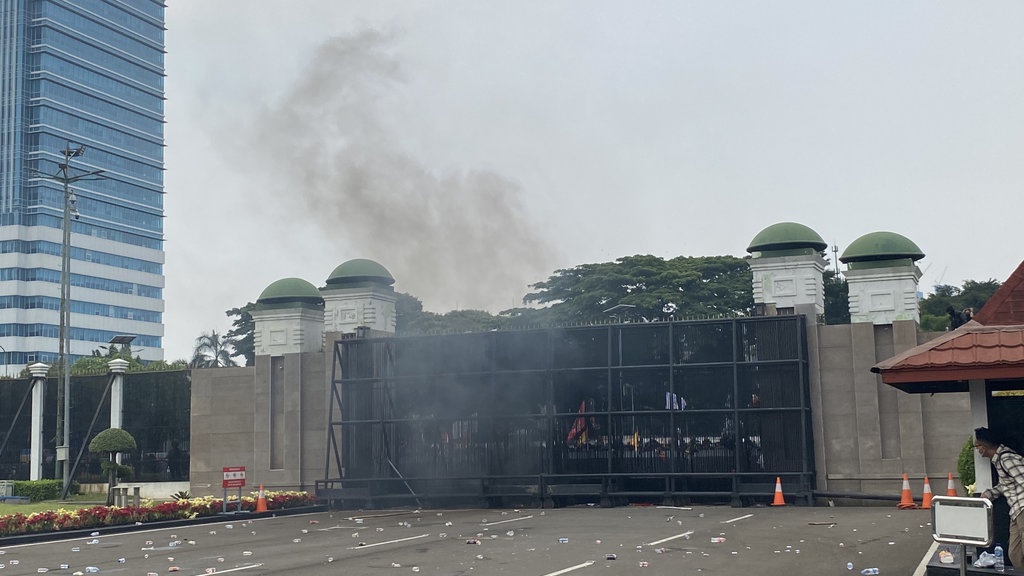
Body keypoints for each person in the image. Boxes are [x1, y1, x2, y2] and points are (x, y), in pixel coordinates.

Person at [977, 427, 1024, 568]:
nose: (977, 450)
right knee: (1015, 554)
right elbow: (1006, 485)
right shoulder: (1000, 461)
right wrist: (989, 494)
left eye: (977, 446)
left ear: (984, 447)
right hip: (1016, 511)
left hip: (1022, 508)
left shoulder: (1006, 459)